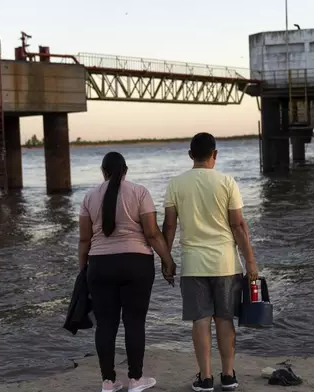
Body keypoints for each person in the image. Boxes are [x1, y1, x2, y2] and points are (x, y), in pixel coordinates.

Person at [162, 133, 258, 392]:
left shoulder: (176, 184)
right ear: (215, 154)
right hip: (226, 264)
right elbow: (238, 225)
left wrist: (167, 260)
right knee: (225, 320)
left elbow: (169, 226)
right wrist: (250, 261)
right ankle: (228, 376)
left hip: (193, 265)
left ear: (190, 155)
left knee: (200, 321)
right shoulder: (227, 182)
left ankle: (205, 378)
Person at [78, 151, 177, 392]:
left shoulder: (89, 197)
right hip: (136, 264)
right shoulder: (140, 192)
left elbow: (84, 240)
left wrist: (83, 271)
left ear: (104, 172)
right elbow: (152, 233)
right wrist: (168, 261)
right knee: (134, 322)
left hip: (99, 266)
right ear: (126, 171)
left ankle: (108, 382)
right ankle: (135, 380)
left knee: (105, 325)